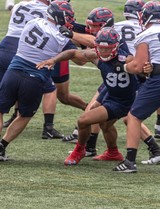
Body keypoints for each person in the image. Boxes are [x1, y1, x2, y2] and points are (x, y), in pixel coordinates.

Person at [36, 27, 149, 166]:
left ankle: (80, 150)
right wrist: (53, 60)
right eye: (100, 48)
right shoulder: (95, 55)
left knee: (83, 120)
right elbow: (72, 53)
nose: (103, 51)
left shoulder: (126, 58)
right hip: (113, 97)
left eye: (107, 49)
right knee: (105, 125)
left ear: (116, 47)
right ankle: (113, 152)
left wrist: (145, 69)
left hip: (126, 100)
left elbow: (141, 71)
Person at [0, 1, 77, 163]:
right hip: (35, 78)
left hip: (14, 70)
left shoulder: (32, 22)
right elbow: (79, 58)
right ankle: (3, 145)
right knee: (25, 115)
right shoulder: (61, 38)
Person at [61, 7, 115, 158]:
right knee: (94, 112)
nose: (89, 29)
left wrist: (70, 35)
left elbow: (90, 47)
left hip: (125, 82)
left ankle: (152, 148)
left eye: (94, 26)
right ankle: (92, 147)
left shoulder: (109, 38)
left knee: (131, 118)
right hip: (111, 81)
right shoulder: (101, 33)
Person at [112, 1, 160, 173]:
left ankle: (130, 161)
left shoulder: (145, 35)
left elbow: (137, 67)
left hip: (158, 80)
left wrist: (121, 67)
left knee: (133, 117)